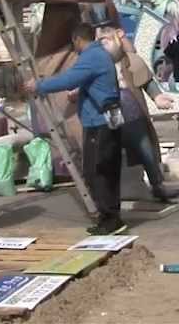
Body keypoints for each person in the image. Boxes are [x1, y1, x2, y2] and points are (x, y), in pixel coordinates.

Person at [24, 22, 125, 235]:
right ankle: (110, 216)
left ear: (78, 40)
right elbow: (93, 82)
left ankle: (109, 218)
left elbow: (69, 79)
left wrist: (39, 86)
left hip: (99, 122)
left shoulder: (91, 57)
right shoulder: (99, 55)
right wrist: (81, 91)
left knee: (96, 170)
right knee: (105, 168)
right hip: (106, 117)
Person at [100, 23, 175, 203]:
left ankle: (157, 185)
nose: (105, 45)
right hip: (109, 111)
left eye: (108, 40)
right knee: (110, 151)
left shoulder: (132, 60)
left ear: (118, 37)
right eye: (101, 41)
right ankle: (110, 191)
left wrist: (157, 97)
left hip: (132, 110)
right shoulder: (96, 64)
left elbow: (147, 82)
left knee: (145, 149)